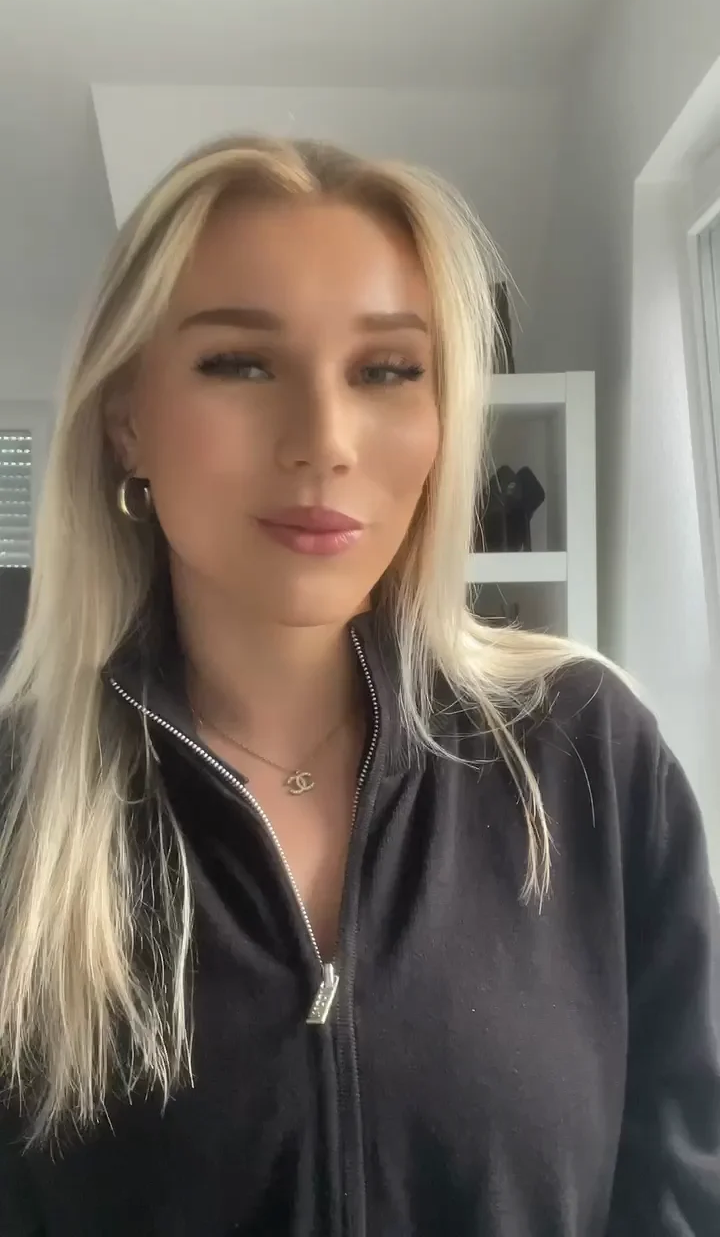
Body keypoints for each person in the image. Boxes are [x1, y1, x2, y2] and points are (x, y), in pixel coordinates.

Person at [0, 136, 718, 1237]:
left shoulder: (590, 753)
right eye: (240, 363)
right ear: (126, 417)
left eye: (386, 371)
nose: (324, 441)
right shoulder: (19, 803)